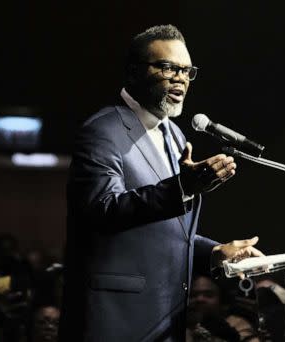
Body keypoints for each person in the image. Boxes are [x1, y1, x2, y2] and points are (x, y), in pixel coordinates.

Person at [61, 24, 264, 341]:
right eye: (167, 67)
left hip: (164, 320)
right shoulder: (104, 131)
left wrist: (215, 252)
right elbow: (101, 209)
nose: (180, 78)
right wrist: (182, 188)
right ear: (133, 72)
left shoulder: (174, 134)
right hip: (115, 318)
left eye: (186, 70)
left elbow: (166, 232)